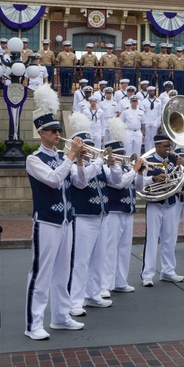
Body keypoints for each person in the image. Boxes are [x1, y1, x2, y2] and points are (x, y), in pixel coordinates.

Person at [24, 84, 84, 339]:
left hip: (66, 221)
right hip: (47, 221)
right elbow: (53, 180)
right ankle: (34, 324)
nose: (58, 134)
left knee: (63, 271)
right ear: (41, 133)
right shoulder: (34, 159)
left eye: (59, 130)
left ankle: (61, 316)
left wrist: (79, 160)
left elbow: (80, 183)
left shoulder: (64, 156)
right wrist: (71, 156)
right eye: (53, 130)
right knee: (41, 272)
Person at [66, 112, 112, 318]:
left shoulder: (99, 165)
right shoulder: (75, 166)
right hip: (83, 216)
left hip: (101, 215)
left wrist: (113, 163)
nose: (89, 151)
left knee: (98, 258)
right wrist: (89, 161)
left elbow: (118, 180)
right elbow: (81, 181)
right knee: (80, 260)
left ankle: (93, 293)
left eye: (91, 147)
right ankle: (74, 301)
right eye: (86, 147)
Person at [103, 119, 144, 295]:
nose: (122, 157)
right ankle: (106, 284)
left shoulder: (127, 168)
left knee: (125, 248)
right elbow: (119, 183)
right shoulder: (108, 168)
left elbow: (139, 187)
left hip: (128, 211)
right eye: (118, 155)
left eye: (122, 154)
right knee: (110, 248)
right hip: (113, 210)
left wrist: (141, 174)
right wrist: (135, 170)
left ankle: (120, 281)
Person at [140, 132, 184, 286]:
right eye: (165, 146)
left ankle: (168, 271)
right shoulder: (148, 161)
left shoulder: (174, 161)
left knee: (170, 239)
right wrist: (154, 178)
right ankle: (148, 274)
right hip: (155, 204)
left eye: (169, 146)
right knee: (152, 240)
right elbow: (140, 182)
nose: (168, 149)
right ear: (157, 147)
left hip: (171, 203)